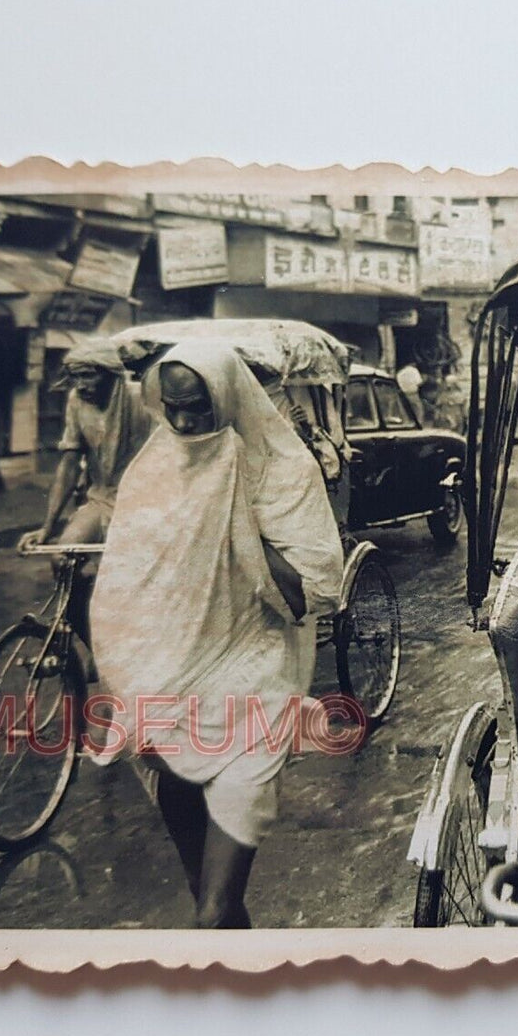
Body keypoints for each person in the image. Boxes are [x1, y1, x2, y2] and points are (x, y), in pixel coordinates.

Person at [89, 339, 344, 929]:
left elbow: (316, 588)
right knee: (210, 904)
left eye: (197, 408)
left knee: (212, 913)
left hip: (254, 683)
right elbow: (130, 581)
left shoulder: (281, 467)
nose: (183, 421)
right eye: (172, 406)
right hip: (171, 686)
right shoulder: (157, 464)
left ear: (227, 397)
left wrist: (236, 527)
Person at [20, 339, 153, 654]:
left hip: (145, 499)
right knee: (62, 559)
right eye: (76, 376)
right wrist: (47, 527)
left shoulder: (140, 399)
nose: (82, 384)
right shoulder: (76, 401)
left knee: (130, 575)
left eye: (89, 376)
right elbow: (68, 464)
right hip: (100, 497)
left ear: (109, 375)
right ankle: (97, 650)